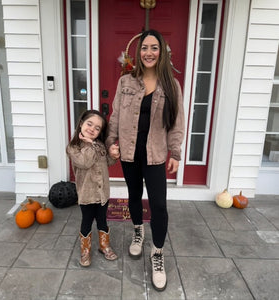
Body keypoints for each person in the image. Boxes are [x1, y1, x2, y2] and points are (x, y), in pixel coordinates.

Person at [106, 29, 185, 291]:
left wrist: (175, 152)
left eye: (153, 47)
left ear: (161, 52)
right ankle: (138, 230)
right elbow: (116, 115)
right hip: (129, 152)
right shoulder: (126, 81)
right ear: (138, 53)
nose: (148, 53)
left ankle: (158, 253)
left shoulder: (171, 85)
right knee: (133, 195)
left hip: (155, 155)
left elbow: (176, 122)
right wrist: (111, 142)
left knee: (159, 205)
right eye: (144, 48)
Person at [66, 110, 117, 267]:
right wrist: (88, 144)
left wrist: (113, 155)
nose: (92, 129)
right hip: (87, 194)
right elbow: (85, 162)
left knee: (102, 220)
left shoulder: (99, 144)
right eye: (89, 124)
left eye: (97, 128)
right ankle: (85, 250)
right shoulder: (73, 148)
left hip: (102, 193)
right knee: (87, 221)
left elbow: (107, 162)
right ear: (81, 123)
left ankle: (104, 246)